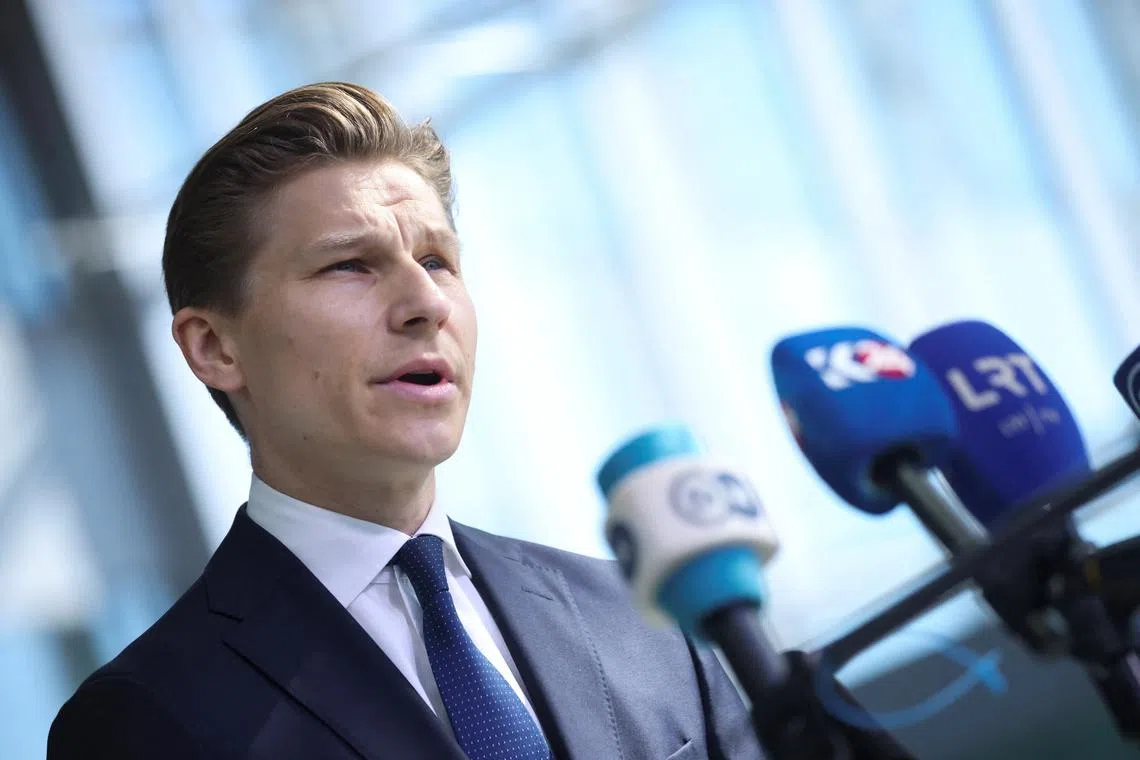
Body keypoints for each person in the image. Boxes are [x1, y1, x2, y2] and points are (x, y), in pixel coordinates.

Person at [46, 83, 908, 760]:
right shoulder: (147, 716)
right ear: (214, 348)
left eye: (437, 260)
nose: (424, 301)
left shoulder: (648, 616)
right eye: (351, 265)